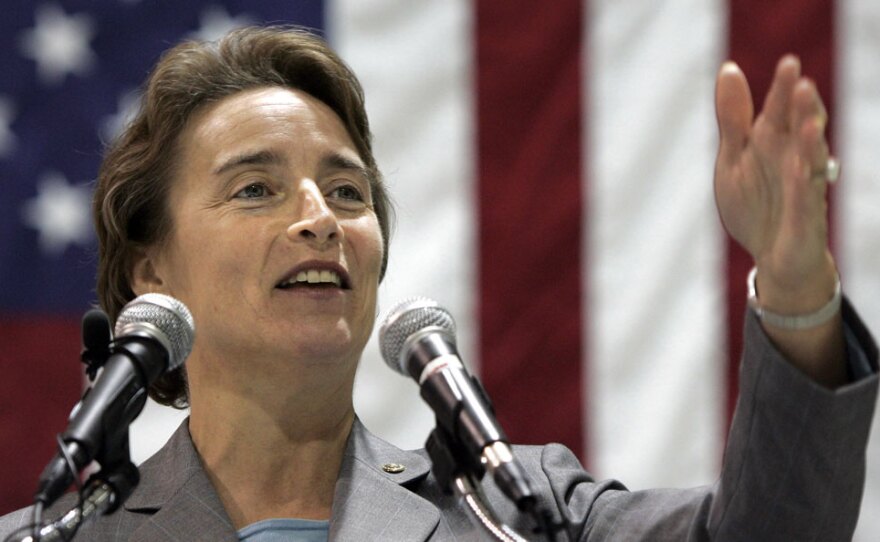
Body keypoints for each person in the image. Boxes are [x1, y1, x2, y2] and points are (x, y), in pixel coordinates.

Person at [1, 25, 877, 541]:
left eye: (347, 191)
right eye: (255, 188)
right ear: (153, 272)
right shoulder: (57, 535)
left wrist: (797, 285)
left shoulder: (514, 511)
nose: (320, 217)